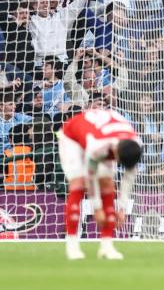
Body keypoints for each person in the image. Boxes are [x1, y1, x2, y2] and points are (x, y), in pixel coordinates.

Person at [57, 107, 142, 260]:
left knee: (107, 183)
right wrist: (96, 208)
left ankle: (106, 247)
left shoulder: (135, 143)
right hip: (72, 138)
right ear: (115, 152)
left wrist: (122, 208)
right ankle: (72, 245)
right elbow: (90, 178)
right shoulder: (98, 147)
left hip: (99, 134)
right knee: (78, 184)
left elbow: (130, 175)